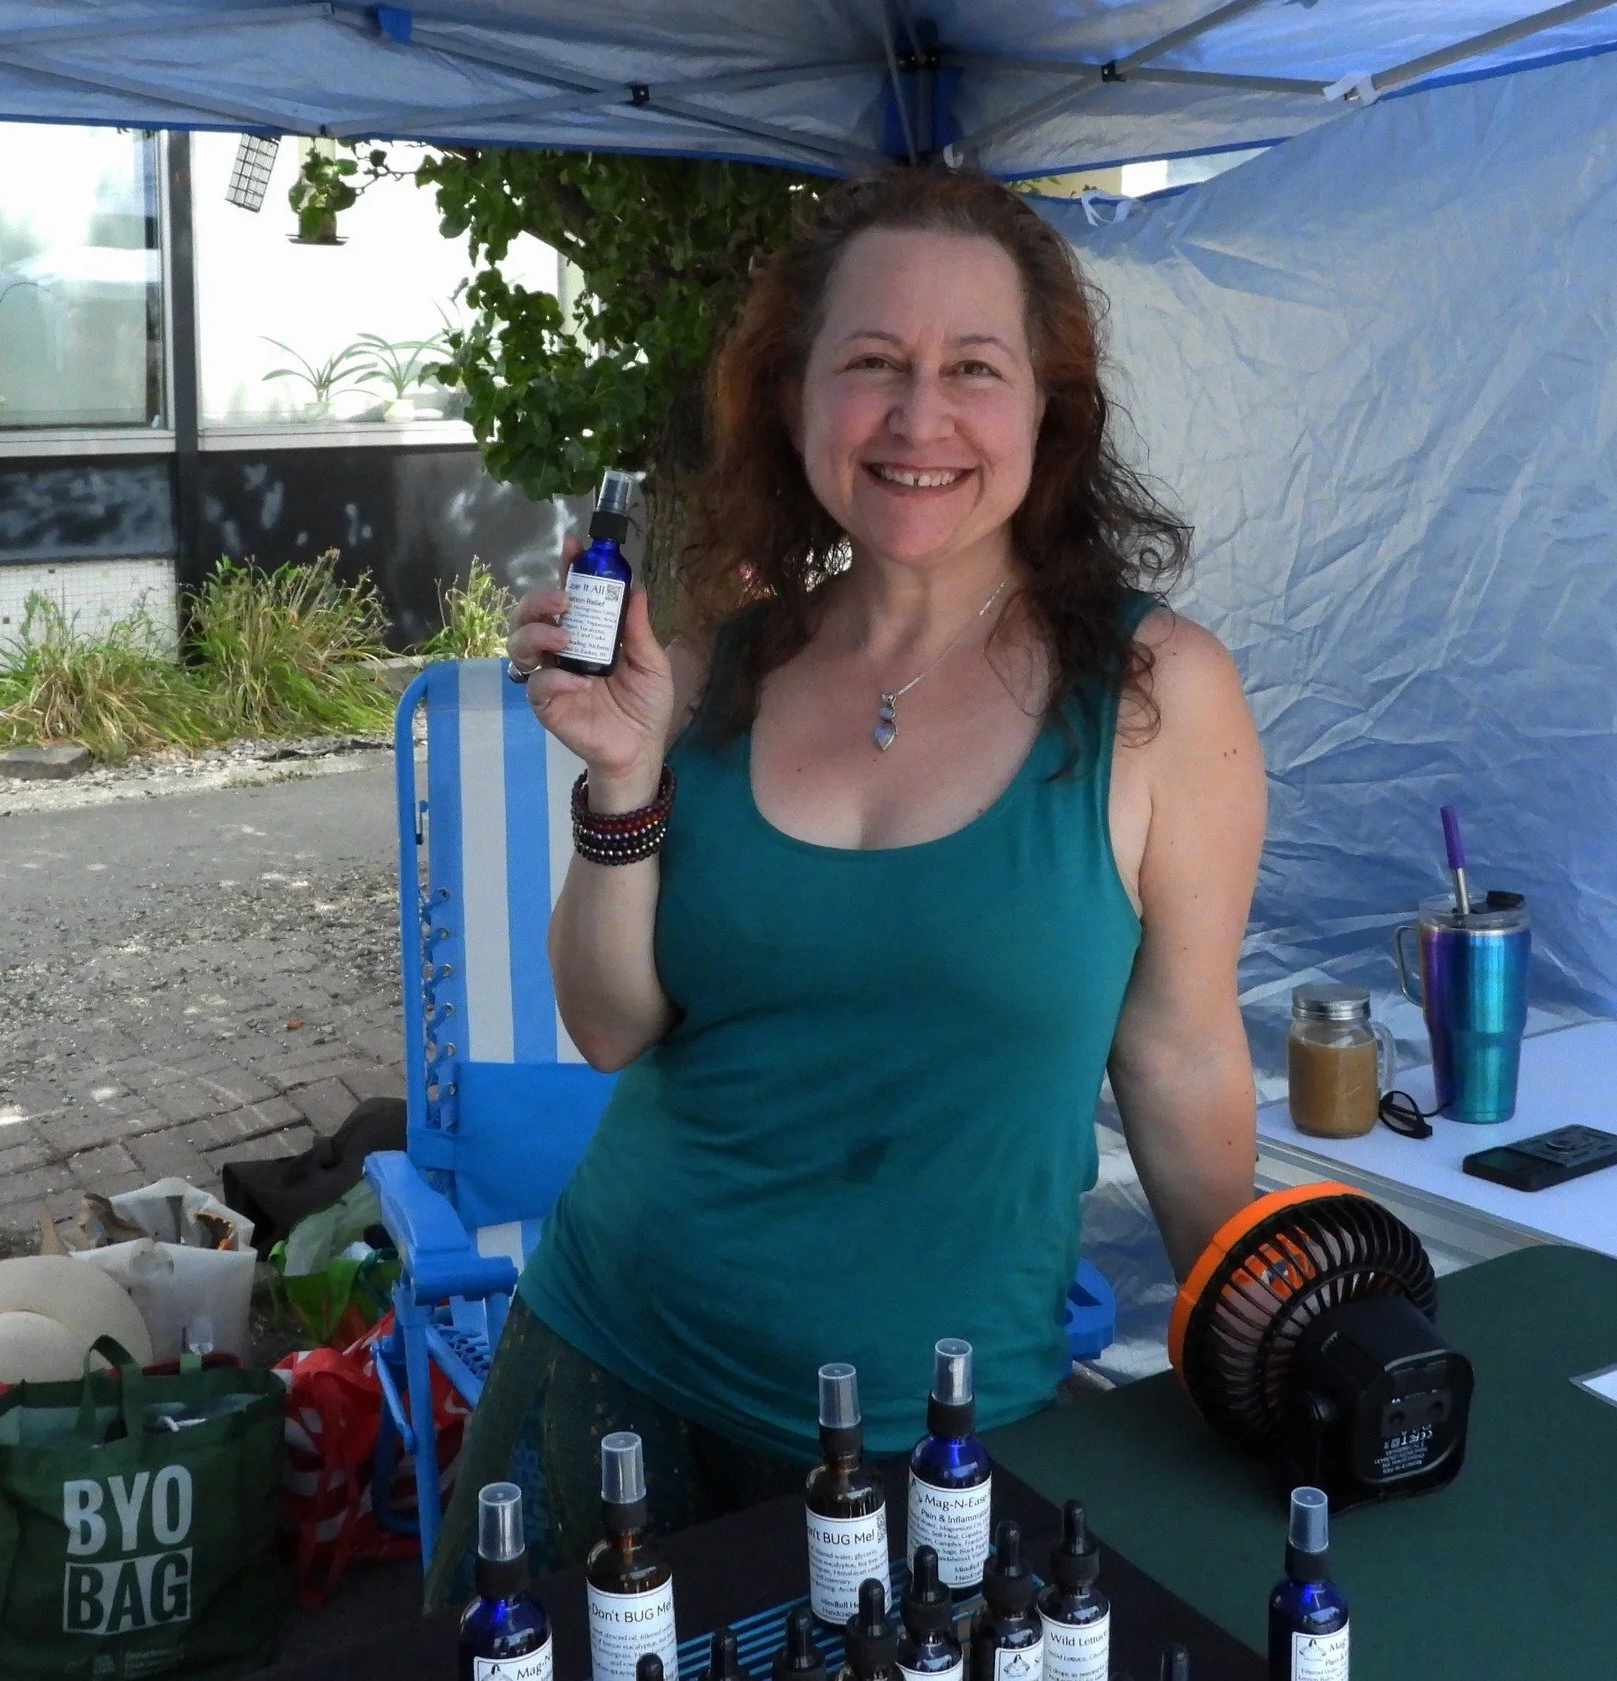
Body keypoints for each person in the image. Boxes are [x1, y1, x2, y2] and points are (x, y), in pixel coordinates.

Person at [424, 167, 1265, 1603]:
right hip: (610, 1363)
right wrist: (623, 784)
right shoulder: (709, 672)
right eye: (870, 364)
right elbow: (613, 1028)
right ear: (795, 398)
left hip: (928, 1442)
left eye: (972, 371)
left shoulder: (1152, 695)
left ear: (1046, 414)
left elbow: (1180, 1055)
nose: (917, 418)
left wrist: (1249, 1365)